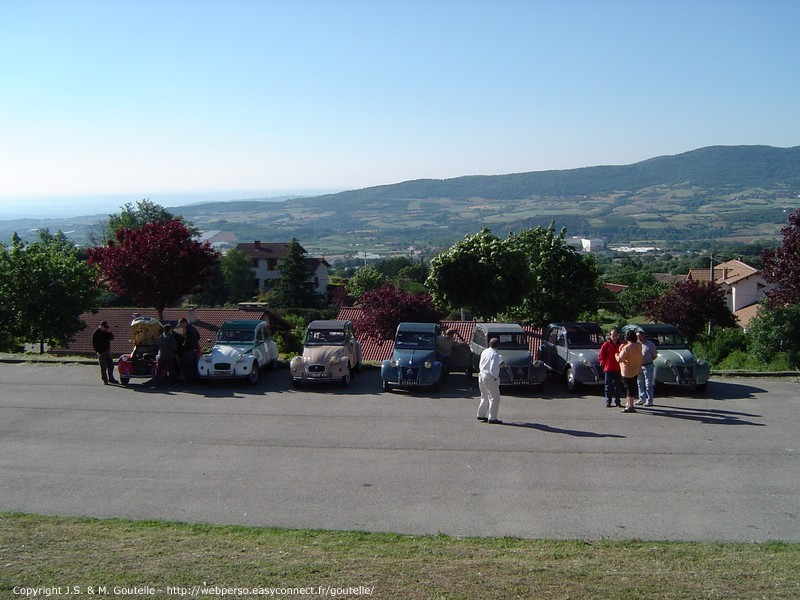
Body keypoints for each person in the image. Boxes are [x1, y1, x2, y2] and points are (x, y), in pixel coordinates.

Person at [477, 337, 503, 424]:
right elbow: (493, 368)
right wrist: (495, 377)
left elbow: (481, 363)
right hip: (489, 376)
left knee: (484, 395)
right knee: (494, 397)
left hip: (481, 374)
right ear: (498, 345)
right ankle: (492, 418)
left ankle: (481, 414)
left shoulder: (485, 351)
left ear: (489, 344)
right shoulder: (495, 354)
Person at [615, 329, 643, 413]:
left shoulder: (626, 348)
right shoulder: (638, 345)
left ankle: (630, 406)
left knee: (628, 388)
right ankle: (629, 404)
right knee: (632, 387)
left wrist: (616, 354)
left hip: (627, 370)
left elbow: (620, 359)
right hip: (636, 369)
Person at [598, 328, 623, 408]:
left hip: (618, 369)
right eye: (613, 335)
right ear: (610, 336)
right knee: (608, 386)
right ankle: (608, 401)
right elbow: (601, 356)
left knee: (618, 386)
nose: (615, 337)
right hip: (608, 369)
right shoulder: (606, 345)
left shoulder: (621, 345)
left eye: (616, 335)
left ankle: (618, 401)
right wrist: (603, 363)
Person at [635, 330, 658, 407]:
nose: (638, 337)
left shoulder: (649, 344)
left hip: (648, 366)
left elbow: (654, 355)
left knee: (648, 384)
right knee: (640, 383)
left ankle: (649, 400)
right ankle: (641, 398)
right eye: (637, 336)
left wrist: (648, 360)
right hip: (639, 366)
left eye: (639, 336)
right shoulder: (637, 344)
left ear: (643, 335)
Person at [91, 320, 118, 384]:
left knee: (111, 365)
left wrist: (109, 332)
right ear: (101, 326)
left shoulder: (106, 332)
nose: (106, 328)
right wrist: (98, 351)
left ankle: (111, 378)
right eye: (105, 327)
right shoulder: (96, 333)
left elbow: (112, 338)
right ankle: (105, 379)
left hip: (107, 351)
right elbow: (94, 344)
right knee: (103, 367)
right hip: (101, 352)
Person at [177, 317, 200, 383]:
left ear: (185, 323)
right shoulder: (193, 328)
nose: (181, 326)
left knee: (184, 365)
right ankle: (194, 379)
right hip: (194, 350)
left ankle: (187, 380)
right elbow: (198, 336)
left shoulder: (187, 330)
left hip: (188, 351)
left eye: (181, 324)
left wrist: (182, 347)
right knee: (192, 365)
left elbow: (186, 341)